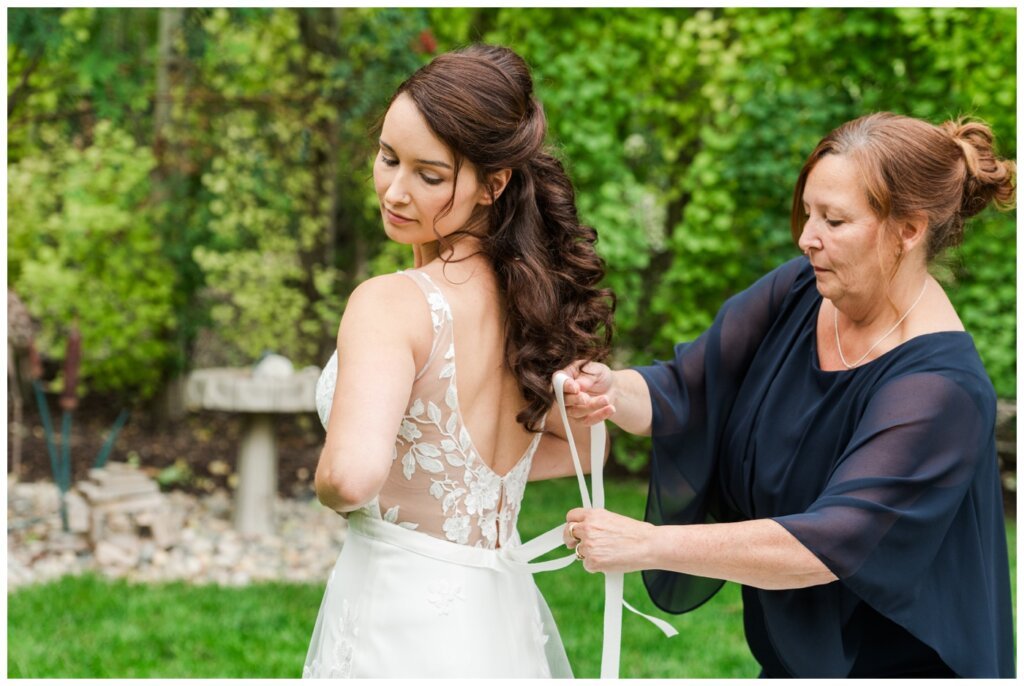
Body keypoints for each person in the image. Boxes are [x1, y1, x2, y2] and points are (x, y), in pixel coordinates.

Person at [557, 112, 1015, 677]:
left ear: (909, 229)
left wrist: (648, 543)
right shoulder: (799, 290)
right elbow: (686, 388)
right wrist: (609, 390)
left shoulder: (940, 392)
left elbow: (824, 546)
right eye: (809, 212)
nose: (806, 237)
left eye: (835, 220)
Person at [303, 44, 613, 678]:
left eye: (429, 175)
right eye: (388, 158)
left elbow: (351, 478)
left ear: (492, 184)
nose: (395, 189)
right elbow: (588, 449)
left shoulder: (389, 305)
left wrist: (333, 476)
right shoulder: (532, 301)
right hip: (498, 612)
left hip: (398, 614)